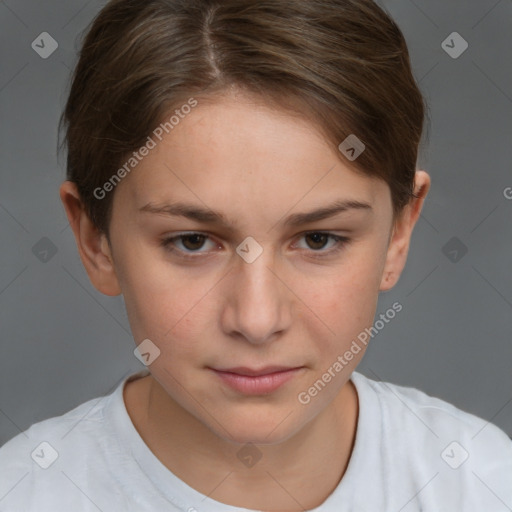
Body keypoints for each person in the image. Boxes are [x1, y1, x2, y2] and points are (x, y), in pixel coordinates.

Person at [1, 0, 511, 510]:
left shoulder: (482, 483)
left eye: (318, 239)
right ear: (96, 239)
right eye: (192, 241)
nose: (257, 320)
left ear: (398, 233)